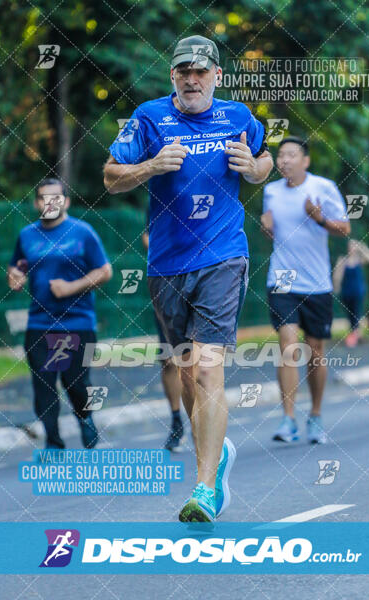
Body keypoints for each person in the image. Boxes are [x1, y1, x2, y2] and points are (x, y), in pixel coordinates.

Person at [104, 35, 273, 521]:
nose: (192, 79)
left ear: (217, 75)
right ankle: (217, 455)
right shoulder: (150, 117)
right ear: (173, 76)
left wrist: (255, 169)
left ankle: (205, 488)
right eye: (184, 71)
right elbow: (110, 176)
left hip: (223, 257)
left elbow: (262, 162)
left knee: (205, 368)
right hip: (167, 265)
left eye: (201, 71)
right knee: (184, 375)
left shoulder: (238, 117)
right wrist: (151, 165)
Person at [7, 179, 112, 450]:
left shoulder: (83, 232)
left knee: (75, 382)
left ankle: (86, 419)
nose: (49, 203)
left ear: (66, 201)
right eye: (44, 198)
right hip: (40, 322)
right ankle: (54, 443)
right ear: (36, 203)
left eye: (55, 198)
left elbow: (105, 271)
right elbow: (17, 268)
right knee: (43, 386)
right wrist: (15, 278)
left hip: (77, 321)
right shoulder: (27, 235)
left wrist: (71, 288)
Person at [261, 136, 350, 444]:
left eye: (291, 155)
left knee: (315, 352)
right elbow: (272, 231)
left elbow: (345, 228)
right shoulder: (270, 191)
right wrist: (266, 227)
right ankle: (288, 420)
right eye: (281, 155)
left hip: (316, 282)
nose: (284, 160)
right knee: (287, 345)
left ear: (305, 161)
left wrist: (320, 219)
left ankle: (314, 415)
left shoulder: (322, 188)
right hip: (282, 278)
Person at [141, 218, 184, 452]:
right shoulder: (159, 185)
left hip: (204, 277)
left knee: (201, 356)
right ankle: (177, 419)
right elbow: (147, 235)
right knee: (168, 359)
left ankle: (203, 416)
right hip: (167, 279)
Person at [333, 239, 369, 347]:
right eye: (350, 246)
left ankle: (355, 336)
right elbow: (337, 276)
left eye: (353, 246)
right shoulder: (342, 260)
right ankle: (357, 335)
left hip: (358, 291)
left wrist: (361, 247)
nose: (351, 248)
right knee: (350, 314)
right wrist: (336, 287)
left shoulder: (360, 260)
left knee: (356, 312)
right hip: (346, 292)